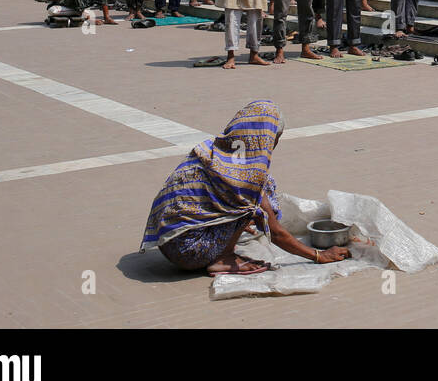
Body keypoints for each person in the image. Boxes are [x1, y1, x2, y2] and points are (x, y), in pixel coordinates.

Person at [139, 100, 349, 275]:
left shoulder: (212, 152)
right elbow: (275, 233)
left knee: (261, 190)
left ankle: (224, 240)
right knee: (254, 204)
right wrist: (319, 255)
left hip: (168, 242)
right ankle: (223, 259)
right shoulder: (246, 176)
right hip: (189, 253)